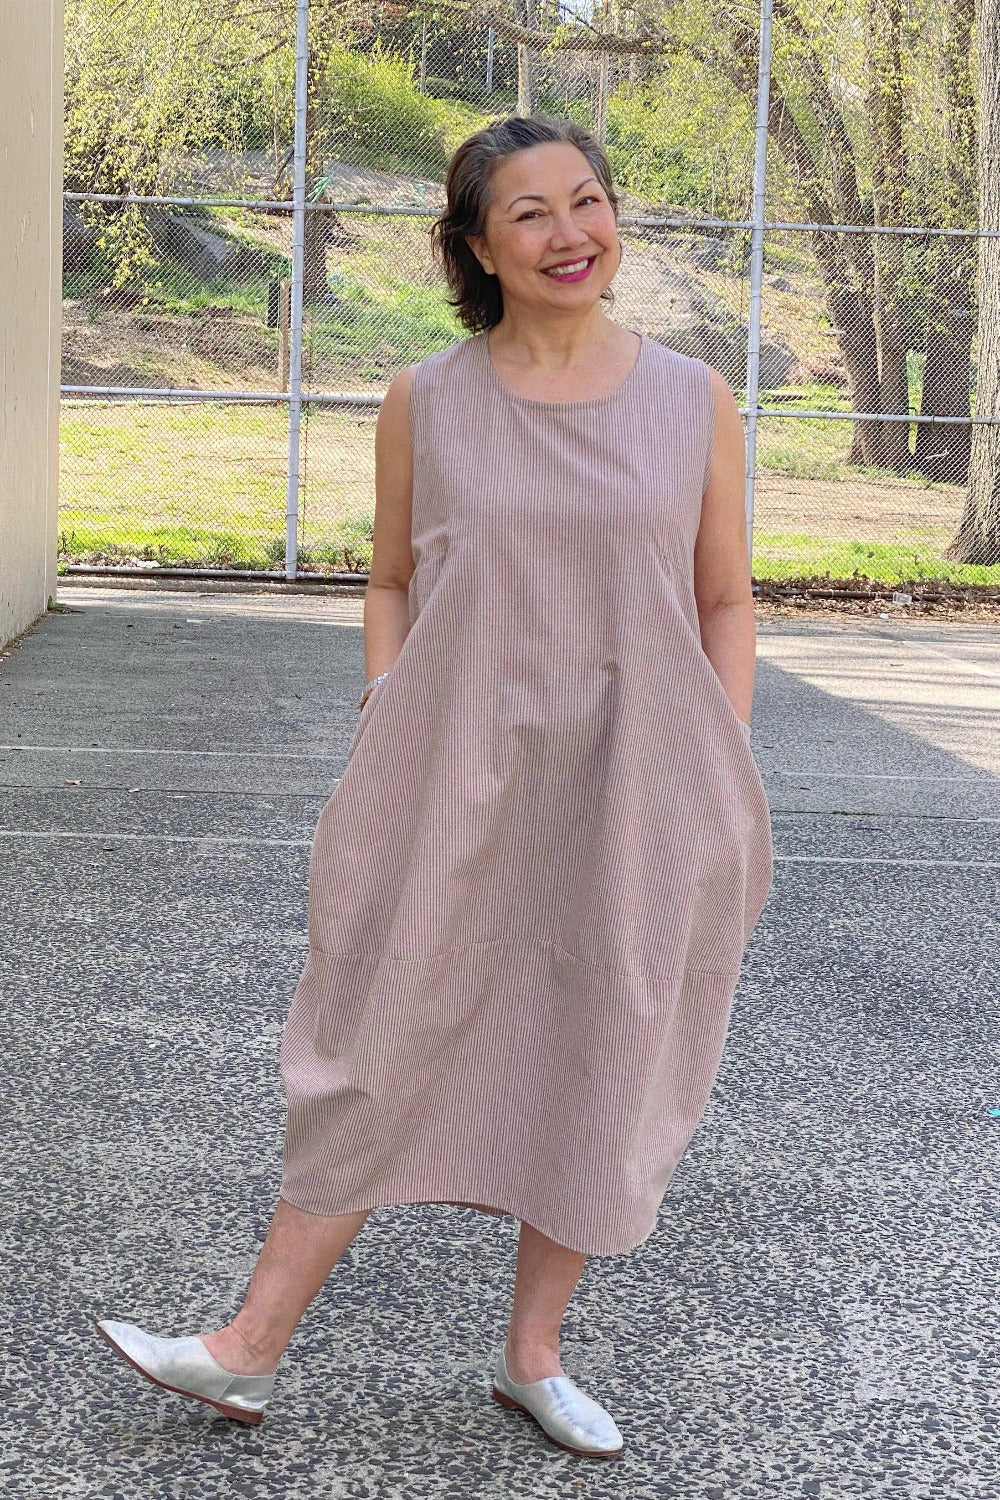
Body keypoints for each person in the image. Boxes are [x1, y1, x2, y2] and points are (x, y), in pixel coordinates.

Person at [94, 112, 773, 1462]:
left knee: (605, 1045)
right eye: (532, 213)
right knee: (374, 1033)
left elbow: (725, 596)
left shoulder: (691, 396)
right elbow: (393, 572)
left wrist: (717, 759)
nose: (573, 233)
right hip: (454, 772)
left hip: (638, 780)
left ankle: (534, 1360)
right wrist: (389, 704)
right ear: (477, 246)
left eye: (589, 201)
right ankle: (245, 1352)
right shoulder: (429, 397)